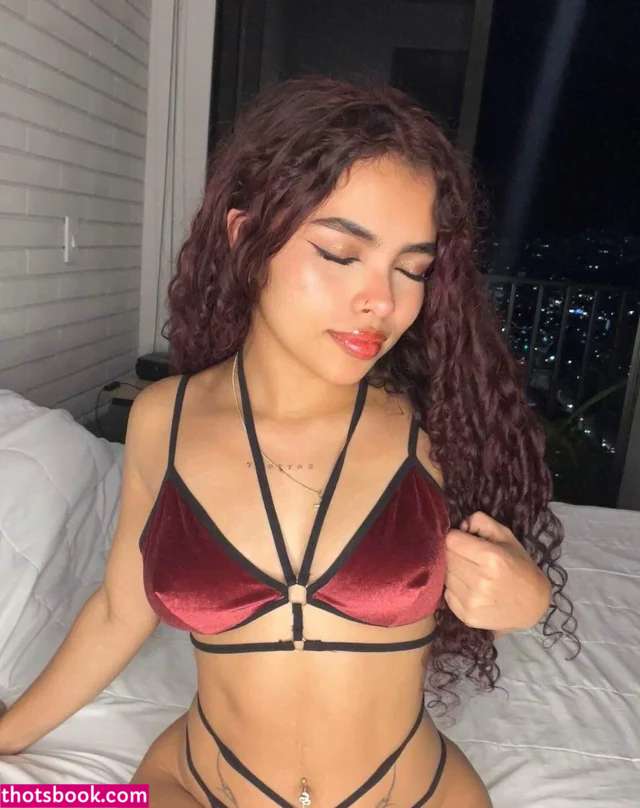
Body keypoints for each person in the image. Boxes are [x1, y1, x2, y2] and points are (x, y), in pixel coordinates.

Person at [0, 75, 572, 807]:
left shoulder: (437, 424)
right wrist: (8, 737)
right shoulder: (163, 421)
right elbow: (120, 609)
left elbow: (500, 567)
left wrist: (529, 601)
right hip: (200, 784)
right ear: (247, 238)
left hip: (410, 792)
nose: (382, 301)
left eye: (412, 268)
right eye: (341, 254)